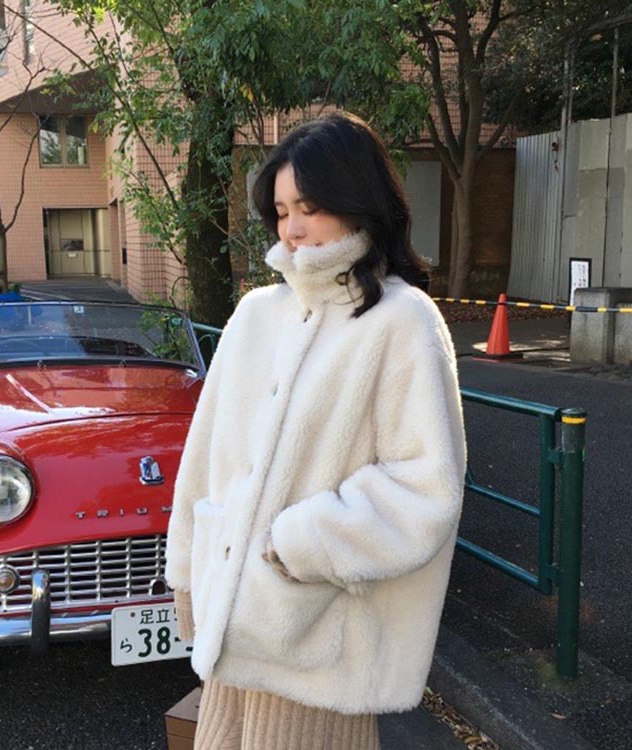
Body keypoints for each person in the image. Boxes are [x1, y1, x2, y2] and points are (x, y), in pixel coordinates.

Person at [165, 112, 466, 750]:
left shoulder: (402, 321)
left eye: (310, 207)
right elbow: (204, 459)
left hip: (317, 645)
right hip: (231, 644)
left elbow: (426, 488)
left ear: (358, 202)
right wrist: (188, 575)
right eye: (281, 211)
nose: (292, 229)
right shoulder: (255, 314)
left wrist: (300, 545)